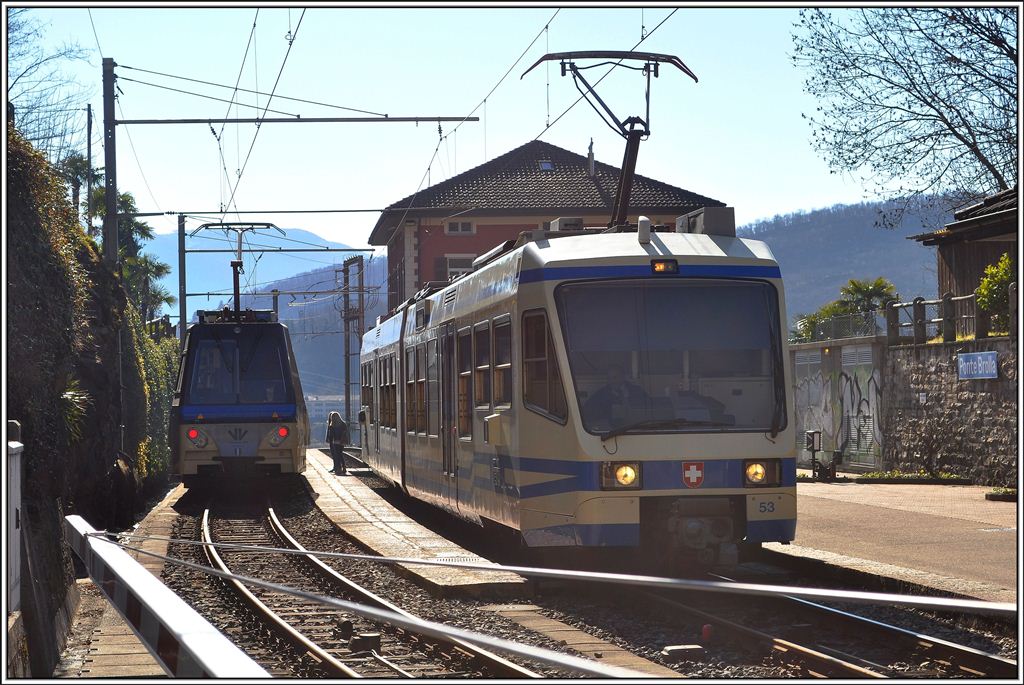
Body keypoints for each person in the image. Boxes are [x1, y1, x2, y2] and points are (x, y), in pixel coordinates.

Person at [583, 364, 649, 428]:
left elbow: (650, 408)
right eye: (609, 378)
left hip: (637, 427)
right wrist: (606, 413)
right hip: (613, 430)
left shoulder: (637, 390)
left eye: (615, 377)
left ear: (623, 377)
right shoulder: (600, 395)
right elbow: (586, 412)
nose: (612, 381)